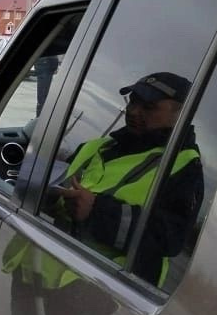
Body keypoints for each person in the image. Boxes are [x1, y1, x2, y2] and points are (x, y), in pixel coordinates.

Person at [56, 72, 203, 287]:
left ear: (182, 113)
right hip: (40, 274)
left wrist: (96, 210)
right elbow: (53, 184)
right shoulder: (96, 147)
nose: (134, 111)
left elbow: (170, 239)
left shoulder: (184, 166)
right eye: (133, 101)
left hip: (101, 295)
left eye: (149, 107)